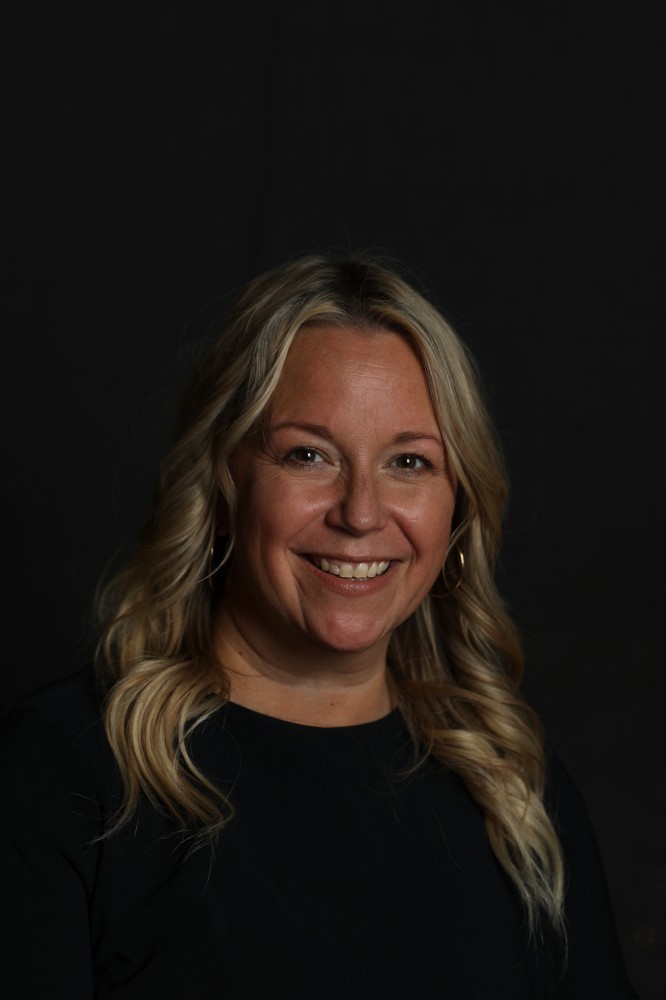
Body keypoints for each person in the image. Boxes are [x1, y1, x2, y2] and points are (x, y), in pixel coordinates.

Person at [0, 253, 637, 999]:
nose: (361, 513)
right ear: (224, 483)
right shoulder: (63, 775)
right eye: (309, 455)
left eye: (409, 461)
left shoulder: (514, 791)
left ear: (456, 507)